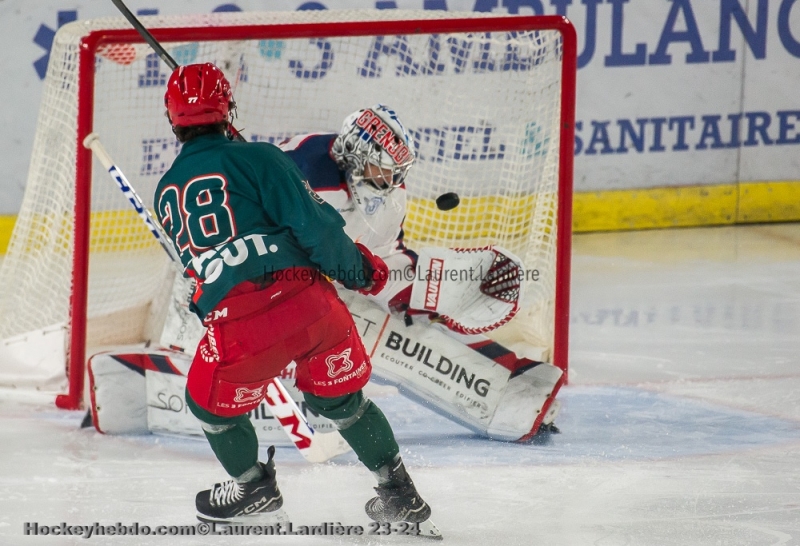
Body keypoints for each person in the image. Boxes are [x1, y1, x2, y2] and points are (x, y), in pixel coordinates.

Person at [155, 64, 433, 527]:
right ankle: (398, 489)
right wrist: (364, 273)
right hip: (314, 310)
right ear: (229, 109)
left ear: (172, 119)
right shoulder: (263, 158)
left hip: (242, 328)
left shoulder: (166, 193)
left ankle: (252, 485)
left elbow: (205, 261)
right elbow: (317, 229)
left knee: (207, 407)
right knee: (345, 404)